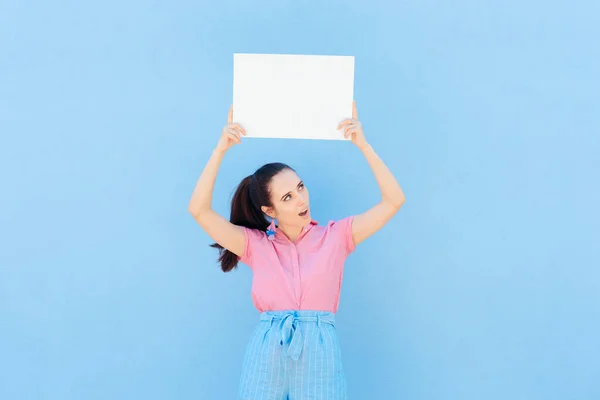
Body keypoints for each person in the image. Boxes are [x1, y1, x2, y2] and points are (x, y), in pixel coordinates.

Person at [187, 101, 405, 399]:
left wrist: (363, 145)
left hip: (320, 351)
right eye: (287, 197)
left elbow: (394, 201)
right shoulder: (254, 244)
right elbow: (199, 210)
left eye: (301, 187)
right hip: (268, 350)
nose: (301, 200)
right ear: (269, 209)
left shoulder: (336, 236)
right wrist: (219, 150)